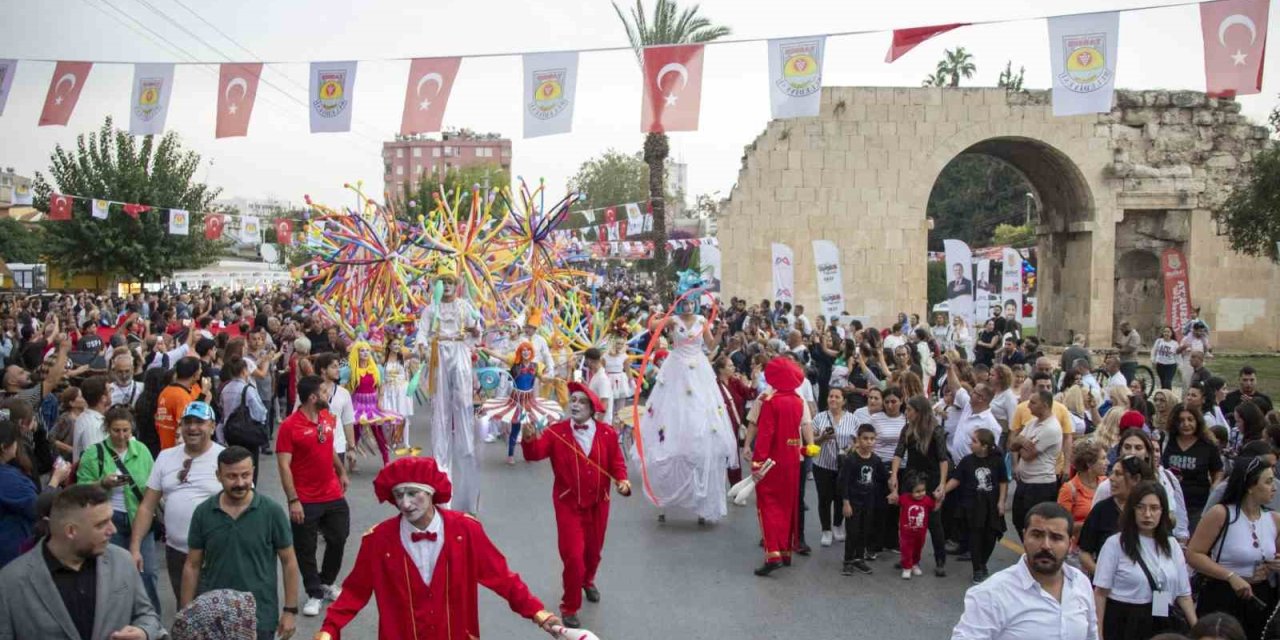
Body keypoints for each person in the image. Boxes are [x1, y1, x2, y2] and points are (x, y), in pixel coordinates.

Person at [313, 456, 562, 639]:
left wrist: (540, 614)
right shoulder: (378, 540)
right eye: (399, 495)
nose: (405, 503)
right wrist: (329, 629)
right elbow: (354, 592)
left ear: (431, 493)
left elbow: (503, 579)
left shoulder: (465, 531)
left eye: (413, 493)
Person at [520, 382, 630, 628]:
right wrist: (528, 438)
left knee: (593, 553)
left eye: (581, 401)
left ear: (592, 407)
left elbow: (616, 463)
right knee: (573, 557)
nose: (575, 405)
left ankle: (588, 581)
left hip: (598, 505)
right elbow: (534, 454)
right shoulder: (556, 432)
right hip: (568, 504)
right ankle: (569, 606)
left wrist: (623, 481)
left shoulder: (607, 433)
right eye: (573, 400)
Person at [0, 484, 164, 640]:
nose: (112, 530)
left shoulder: (123, 561)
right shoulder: (10, 582)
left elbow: (147, 614)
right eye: (101, 524)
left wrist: (143, 632)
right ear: (71, 531)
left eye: (111, 520)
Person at [635, 280, 736, 525]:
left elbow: (710, 345)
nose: (689, 306)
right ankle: (664, 494)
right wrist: (659, 316)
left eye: (691, 302)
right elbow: (652, 327)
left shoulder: (702, 321)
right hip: (676, 370)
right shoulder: (673, 321)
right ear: (680, 302)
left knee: (700, 422)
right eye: (684, 302)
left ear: (696, 302)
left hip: (698, 370)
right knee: (670, 423)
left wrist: (721, 333)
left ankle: (701, 496)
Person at [183, 446, 300, 640]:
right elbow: (192, 565)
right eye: (231, 476)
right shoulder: (203, 513)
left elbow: (289, 562)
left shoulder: (272, 512)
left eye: (245, 475)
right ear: (218, 476)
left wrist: (290, 611)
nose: (240, 483)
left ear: (253, 471)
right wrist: (187, 614)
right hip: (214, 618)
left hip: (260, 618)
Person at [951, 502, 1098, 640]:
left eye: (1056, 538)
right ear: (1024, 536)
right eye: (1037, 535)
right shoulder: (991, 594)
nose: (1046, 545)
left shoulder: (1081, 583)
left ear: (1070, 544)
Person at [278, 375, 351, 617]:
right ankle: (314, 593)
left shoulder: (326, 418)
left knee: (339, 537)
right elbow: (284, 465)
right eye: (323, 391)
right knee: (305, 548)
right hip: (305, 499)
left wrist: (341, 472)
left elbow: (328, 447)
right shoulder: (289, 426)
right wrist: (293, 500)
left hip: (332, 494)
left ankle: (326, 582)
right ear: (312, 397)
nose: (327, 394)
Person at [75, 406, 159, 613]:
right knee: (112, 574)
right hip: (109, 521)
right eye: (116, 431)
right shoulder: (93, 454)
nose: (121, 436)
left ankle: (152, 621)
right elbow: (80, 490)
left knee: (147, 573)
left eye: (126, 431)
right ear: (107, 429)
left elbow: (153, 485)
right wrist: (103, 483)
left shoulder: (142, 451)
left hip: (140, 518)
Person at [1186, 456, 1280, 640]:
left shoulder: (1274, 519)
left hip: (1259, 598)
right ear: (1250, 486)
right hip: (1222, 595)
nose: (1274, 487)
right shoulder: (1222, 514)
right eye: (1268, 482)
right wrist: (1230, 576)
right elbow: (1193, 554)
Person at [415, 267, 483, 515]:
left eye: (450, 281)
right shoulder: (431, 308)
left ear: (457, 284)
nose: (447, 285)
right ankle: (443, 489)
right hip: (439, 354)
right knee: (440, 415)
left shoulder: (465, 306)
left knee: (463, 410)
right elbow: (421, 333)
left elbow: (478, 330)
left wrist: (476, 331)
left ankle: (466, 495)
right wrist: (422, 346)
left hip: (460, 353)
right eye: (443, 281)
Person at [1093, 481, 1197, 638]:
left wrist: (1197, 629)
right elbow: (1100, 593)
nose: (1147, 514)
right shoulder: (1115, 544)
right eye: (1141, 507)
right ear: (1132, 510)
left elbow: (1184, 594)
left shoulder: (1172, 545)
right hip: (1124, 621)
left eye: (1154, 508)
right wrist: (1098, 634)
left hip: (1161, 619)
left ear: (1163, 511)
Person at [752, 357, 808, 576]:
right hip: (792, 459)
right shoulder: (798, 401)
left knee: (768, 506)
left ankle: (772, 553)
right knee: (786, 505)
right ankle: (784, 551)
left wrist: (757, 463)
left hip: (772, 460)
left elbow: (765, 434)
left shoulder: (771, 401)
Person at [890, 395, 950, 576]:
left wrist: (942, 484)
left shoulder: (936, 430)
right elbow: (898, 453)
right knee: (908, 521)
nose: (906, 413)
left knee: (934, 521)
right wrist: (894, 476)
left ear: (919, 412)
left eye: (909, 410)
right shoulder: (907, 429)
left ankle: (940, 559)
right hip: (911, 478)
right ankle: (907, 558)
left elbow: (943, 459)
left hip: (930, 479)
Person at [944, 429, 1007, 584]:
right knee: (975, 537)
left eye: (974, 441)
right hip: (972, 506)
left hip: (991, 505)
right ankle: (977, 569)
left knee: (991, 536)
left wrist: (1001, 501)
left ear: (984, 446)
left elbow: (1003, 481)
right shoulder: (967, 461)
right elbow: (956, 479)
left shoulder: (997, 461)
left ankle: (983, 562)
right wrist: (942, 491)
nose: (970, 443)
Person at [1008, 390, 1063, 541]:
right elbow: (1012, 445)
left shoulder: (1051, 428)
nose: (1028, 406)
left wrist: (1020, 442)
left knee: (1036, 525)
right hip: (1025, 481)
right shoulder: (1033, 423)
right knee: (1018, 520)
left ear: (1044, 405)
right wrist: (1021, 442)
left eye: (1033, 402)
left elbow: (1027, 455)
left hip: (1040, 485)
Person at [1162, 403, 1224, 533]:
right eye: (1181, 420)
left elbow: (1218, 470)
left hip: (1198, 504)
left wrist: (1215, 486)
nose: (1186, 424)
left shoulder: (1207, 445)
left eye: (1190, 419)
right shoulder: (1168, 441)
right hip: (1172, 502)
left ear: (1197, 421)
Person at [839, 423, 887, 575]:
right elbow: (843, 483)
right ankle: (848, 560)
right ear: (858, 440)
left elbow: (884, 477)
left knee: (864, 531)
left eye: (872, 439)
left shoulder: (876, 460)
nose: (869, 442)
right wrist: (846, 503)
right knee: (852, 531)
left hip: (869, 502)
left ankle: (859, 558)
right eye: (865, 438)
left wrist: (893, 488)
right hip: (853, 502)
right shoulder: (851, 460)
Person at [812, 388, 857, 547]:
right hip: (823, 464)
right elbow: (811, 441)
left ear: (843, 400)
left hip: (844, 466)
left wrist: (850, 450)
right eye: (831, 396)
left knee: (840, 497)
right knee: (824, 498)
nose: (833, 399)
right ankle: (826, 530)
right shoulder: (819, 418)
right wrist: (822, 437)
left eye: (837, 397)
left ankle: (838, 525)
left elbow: (858, 441)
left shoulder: (852, 418)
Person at [217, 356, 269, 481]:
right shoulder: (248, 389)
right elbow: (259, 412)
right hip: (247, 432)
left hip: (230, 431)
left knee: (233, 462)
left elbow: (223, 410)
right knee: (250, 464)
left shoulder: (225, 389)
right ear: (244, 371)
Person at [1058, 440, 1106, 552]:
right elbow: (1062, 526)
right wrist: (1090, 524)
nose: (1107, 462)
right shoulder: (1069, 489)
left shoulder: (1106, 484)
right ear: (1089, 464)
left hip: (1101, 547)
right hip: (1077, 551)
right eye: (1103, 458)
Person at [154, 356, 207, 450]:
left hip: (165, 448)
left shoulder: (165, 392)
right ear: (195, 374)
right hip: (177, 451)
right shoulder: (182, 397)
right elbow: (187, 426)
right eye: (200, 369)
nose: (202, 371)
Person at [895, 472, 937, 580]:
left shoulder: (927, 500)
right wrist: (893, 492)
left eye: (923, 490)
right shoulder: (904, 498)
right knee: (906, 549)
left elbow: (934, 507)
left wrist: (938, 498)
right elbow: (895, 501)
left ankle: (915, 564)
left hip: (921, 533)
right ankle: (906, 567)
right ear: (910, 491)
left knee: (918, 549)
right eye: (917, 491)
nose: (921, 493)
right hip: (906, 532)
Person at [381, 337, 415, 453]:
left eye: (398, 344)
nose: (396, 346)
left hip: (401, 390)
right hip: (388, 390)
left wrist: (423, 349)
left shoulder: (403, 357)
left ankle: (406, 442)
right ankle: (390, 441)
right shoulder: (383, 360)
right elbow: (380, 375)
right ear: (389, 346)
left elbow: (416, 355)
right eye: (394, 344)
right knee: (389, 417)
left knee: (403, 416)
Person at [71, 375, 109, 462]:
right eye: (110, 391)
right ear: (103, 398)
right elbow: (94, 460)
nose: (112, 393)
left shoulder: (87, 418)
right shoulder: (93, 425)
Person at [1221, 366, 1273, 430]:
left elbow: (1271, 421)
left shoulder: (1264, 399)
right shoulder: (1228, 398)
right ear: (1239, 380)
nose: (1248, 383)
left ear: (1256, 380)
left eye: (1252, 380)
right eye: (1245, 380)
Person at [1150, 327, 1179, 391]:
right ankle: (1163, 397)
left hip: (1171, 365)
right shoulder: (1159, 341)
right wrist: (1153, 360)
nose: (1166, 333)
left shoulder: (1175, 343)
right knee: (1163, 383)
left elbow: (1177, 355)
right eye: (1165, 332)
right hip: (1160, 365)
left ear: (1171, 334)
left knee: (1167, 382)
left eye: (1168, 332)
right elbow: (1153, 350)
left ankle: (1169, 398)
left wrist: (1179, 365)